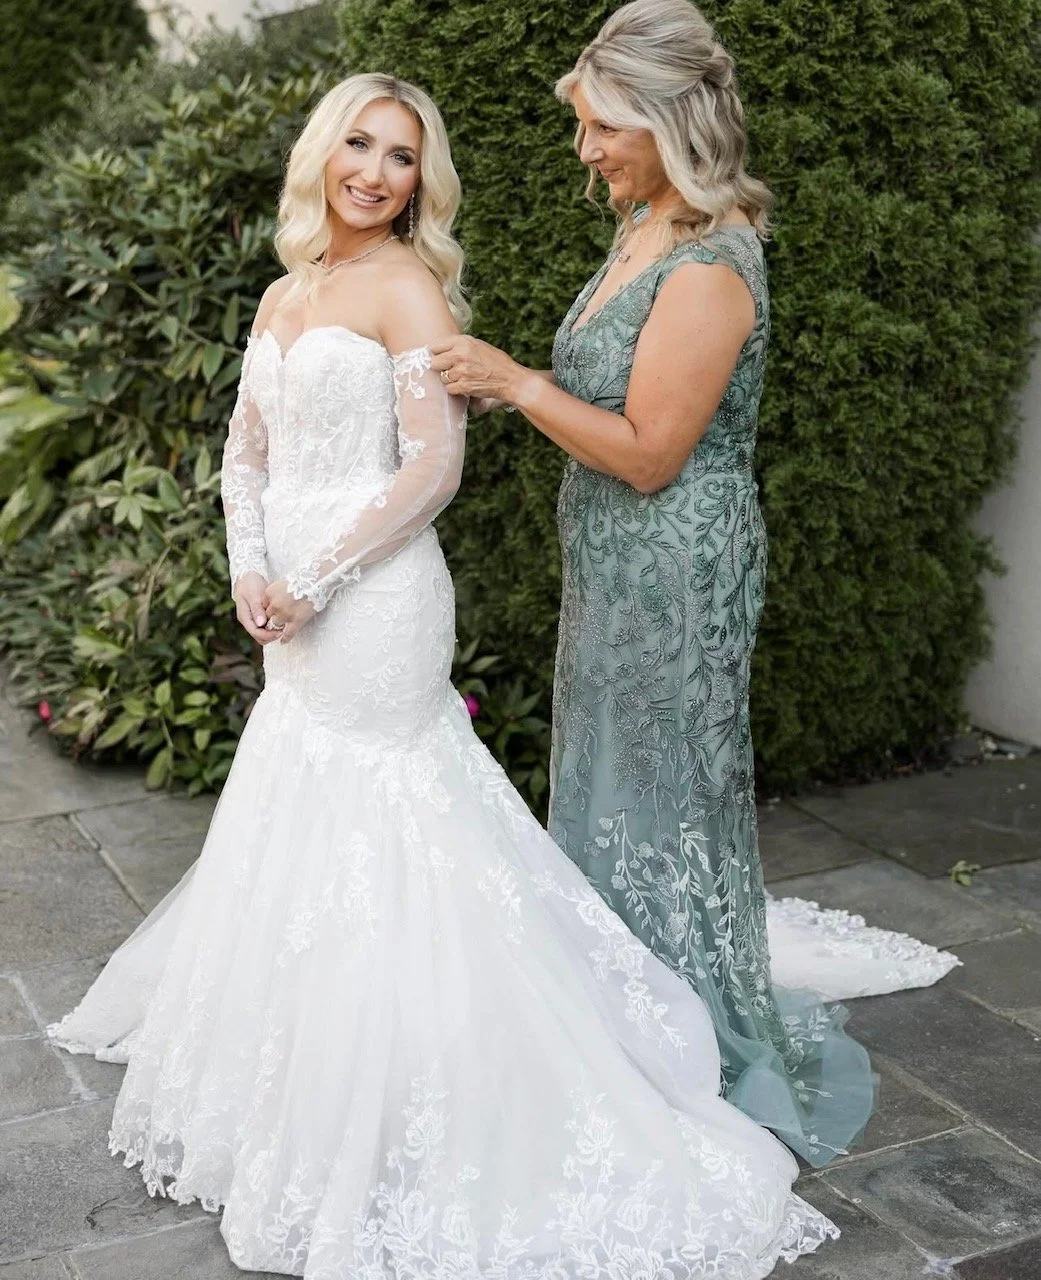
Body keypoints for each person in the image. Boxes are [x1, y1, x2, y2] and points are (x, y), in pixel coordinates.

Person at [48, 72, 840, 1276]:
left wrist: (311, 580)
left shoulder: (408, 287)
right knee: (303, 816)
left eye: (402, 157)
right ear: (322, 153)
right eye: (358, 145)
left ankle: (432, 1085)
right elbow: (242, 451)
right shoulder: (284, 290)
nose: (374, 171)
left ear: (423, 182)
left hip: (372, 603)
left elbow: (432, 466)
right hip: (292, 607)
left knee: (394, 822)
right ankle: (306, 1070)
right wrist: (248, 570)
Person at [433, 0, 953, 1167]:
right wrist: (488, 388)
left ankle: (687, 1024)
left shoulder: (717, 257)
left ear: (666, 121)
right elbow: (602, 402)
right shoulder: (641, 231)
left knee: (667, 791)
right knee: (607, 772)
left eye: (600, 128)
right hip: (612, 559)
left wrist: (516, 383)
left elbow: (652, 450)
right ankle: (615, 1006)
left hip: (678, 568)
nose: (585, 150)